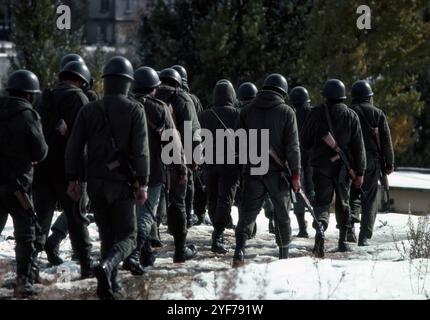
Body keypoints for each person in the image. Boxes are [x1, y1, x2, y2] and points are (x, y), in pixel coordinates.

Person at [65, 56, 150, 299]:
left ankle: (108, 286)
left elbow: (74, 147)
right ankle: (107, 268)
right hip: (122, 184)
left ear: (106, 81)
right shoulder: (135, 109)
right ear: (127, 82)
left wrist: (73, 179)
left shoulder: (88, 109)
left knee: (106, 234)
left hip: (94, 183)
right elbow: (141, 151)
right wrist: (142, 182)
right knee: (129, 237)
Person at [122, 66, 187, 275]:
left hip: (125, 170)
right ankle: (134, 253)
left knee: (133, 212)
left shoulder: (126, 105)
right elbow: (173, 142)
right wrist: (181, 169)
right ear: (153, 88)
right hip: (154, 172)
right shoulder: (160, 108)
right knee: (148, 213)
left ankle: (145, 253)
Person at [233, 74, 301, 267]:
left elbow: (237, 142)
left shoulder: (246, 111)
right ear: (282, 92)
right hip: (278, 173)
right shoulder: (287, 112)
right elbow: (293, 147)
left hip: (253, 169)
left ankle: (239, 251)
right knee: (282, 214)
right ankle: (283, 255)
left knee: (247, 214)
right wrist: (295, 173)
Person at [33, 61, 93, 277]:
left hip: (41, 168)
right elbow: (82, 140)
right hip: (68, 170)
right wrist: (78, 175)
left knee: (41, 218)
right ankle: (86, 264)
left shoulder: (43, 97)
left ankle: (30, 265)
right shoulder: (78, 98)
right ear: (80, 80)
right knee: (77, 218)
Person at [44, 54, 100, 265]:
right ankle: (77, 252)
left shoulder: (47, 96)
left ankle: (50, 244)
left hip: (47, 164)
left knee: (58, 211)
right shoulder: (83, 98)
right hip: (76, 165)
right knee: (78, 209)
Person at [301, 79, 366, 253]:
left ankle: (320, 231)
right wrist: (360, 172)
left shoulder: (315, 113)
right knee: (343, 202)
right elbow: (359, 147)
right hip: (344, 170)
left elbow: (305, 142)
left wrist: (317, 149)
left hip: (321, 167)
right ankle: (343, 240)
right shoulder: (351, 115)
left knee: (322, 202)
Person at [0, 70, 48, 297]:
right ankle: (23, 281)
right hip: (19, 186)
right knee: (25, 235)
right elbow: (40, 151)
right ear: (29, 95)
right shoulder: (28, 115)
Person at [155, 68, 200, 263]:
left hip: (151, 159)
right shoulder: (183, 99)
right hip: (176, 157)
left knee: (153, 200)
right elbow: (192, 131)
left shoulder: (151, 95)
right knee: (178, 203)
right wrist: (193, 159)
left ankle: (150, 239)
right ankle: (180, 249)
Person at [349, 80, 394, 246]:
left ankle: (349, 227)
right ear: (369, 97)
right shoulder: (378, 113)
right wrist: (389, 163)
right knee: (370, 198)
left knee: (352, 195)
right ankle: (365, 235)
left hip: (351, 162)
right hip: (372, 163)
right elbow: (386, 141)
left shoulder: (348, 111)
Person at [199, 80, 241, 254]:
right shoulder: (238, 114)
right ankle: (218, 233)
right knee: (225, 198)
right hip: (231, 164)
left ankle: (218, 230)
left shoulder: (204, 115)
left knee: (212, 198)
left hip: (209, 163)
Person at [172, 65, 203, 228]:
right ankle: (189, 214)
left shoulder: (165, 94)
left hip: (166, 147)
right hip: (186, 149)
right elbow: (197, 126)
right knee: (189, 183)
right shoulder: (191, 99)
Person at [289, 86, 315, 238]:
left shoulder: (289, 114)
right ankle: (319, 223)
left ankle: (302, 229)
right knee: (314, 193)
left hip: (296, 160)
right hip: (313, 160)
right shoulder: (314, 114)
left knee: (298, 194)